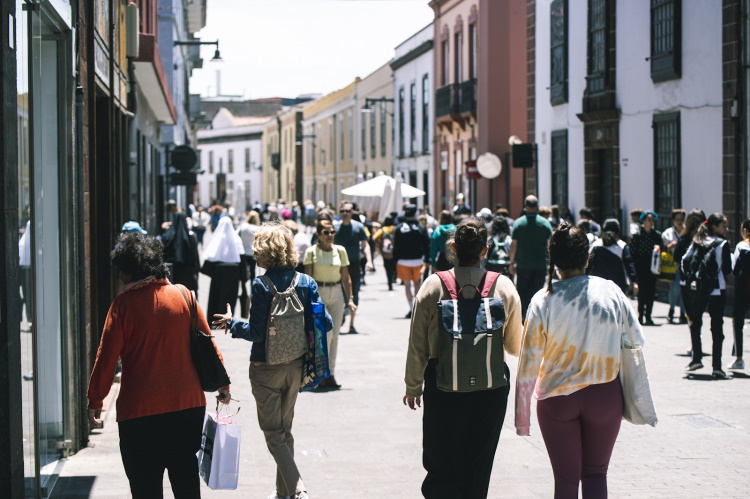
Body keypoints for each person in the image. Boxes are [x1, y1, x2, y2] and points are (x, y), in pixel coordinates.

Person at [87, 232, 231, 498]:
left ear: (131, 271)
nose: (119, 277)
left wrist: (96, 399)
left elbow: (105, 357)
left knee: (145, 486)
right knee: (186, 478)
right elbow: (208, 345)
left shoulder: (122, 306)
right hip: (187, 407)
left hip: (139, 412)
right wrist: (223, 385)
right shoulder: (185, 296)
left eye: (121, 271)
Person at [515, 223, 643, 499]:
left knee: (566, 481)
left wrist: (522, 417)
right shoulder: (610, 291)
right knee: (596, 474)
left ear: (554, 260)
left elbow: (528, 362)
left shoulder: (542, 299)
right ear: (588, 256)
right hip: (604, 395)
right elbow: (636, 338)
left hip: (557, 398)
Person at [403, 218, 523, 499]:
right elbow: (515, 346)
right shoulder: (503, 286)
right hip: (490, 387)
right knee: (478, 464)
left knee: (442, 460)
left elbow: (417, 344)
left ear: (454, 247)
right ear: (486, 250)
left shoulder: (433, 286)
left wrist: (412, 386)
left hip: (443, 384)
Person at [213, 224, 314, 499]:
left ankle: (298, 489)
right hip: (295, 366)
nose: (253, 253)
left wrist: (233, 324)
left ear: (267, 252)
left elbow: (256, 332)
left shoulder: (261, 285)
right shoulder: (306, 282)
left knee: (272, 433)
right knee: (285, 430)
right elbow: (322, 323)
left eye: (257, 248)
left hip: (265, 368)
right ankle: (284, 493)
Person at [304, 220, 356, 389]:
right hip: (319, 294)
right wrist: (308, 301)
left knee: (334, 337)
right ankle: (320, 374)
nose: (330, 235)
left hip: (337, 293)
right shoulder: (311, 252)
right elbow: (308, 279)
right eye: (326, 233)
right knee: (322, 336)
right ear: (318, 235)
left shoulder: (340, 251)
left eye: (332, 232)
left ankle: (331, 373)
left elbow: (346, 277)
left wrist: (350, 298)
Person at [682, 213, 732, 378]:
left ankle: (696, 358)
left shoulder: (698, 240)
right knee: (717, 327)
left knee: (695, 323)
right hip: (717, 290)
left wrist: (692, 277)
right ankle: (717, 366)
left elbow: (684, 260)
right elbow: (727, 270)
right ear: (714, 226)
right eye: (723, 226)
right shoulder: (723, 244)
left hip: (699, 289)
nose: (726, 229)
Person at [509, 195, 554, 319]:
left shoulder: (518, 223)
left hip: (523, 264)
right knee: (538, 291)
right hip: (540, 263)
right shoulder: (545, 223)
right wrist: (552, 262)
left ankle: (523, 316)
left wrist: (511, 263)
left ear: (525, 206)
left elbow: (514, 244)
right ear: (537, 206)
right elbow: (551, 244)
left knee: (522, 291)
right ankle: (535, 316)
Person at [334, 201, 373, 334]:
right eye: (342, 211)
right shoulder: (335, 227)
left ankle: (351, 324)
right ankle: (341, 316)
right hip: (337, 267)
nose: (344, 214)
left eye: (347, 211)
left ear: (352, 213)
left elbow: (365, 245)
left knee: (354, 294)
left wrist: (369, 261)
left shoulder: (358, 227)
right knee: (339, 293)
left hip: (354, 266)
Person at [203, 216, 245, 322]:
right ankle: (229, 318)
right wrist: (243, 276)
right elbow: (242, 257)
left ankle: (214, 318)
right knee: (231, 295)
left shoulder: (217, 237)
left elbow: (210, 254)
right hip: (233, 271)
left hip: (218, 269)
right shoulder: (236, 239)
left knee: (216, 294)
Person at [393, 204, 430, 318]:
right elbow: (426, 244)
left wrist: (396, 259)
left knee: (407, 285)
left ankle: (410, 307)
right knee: (417, 284)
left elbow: (396, 246)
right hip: (417, 260)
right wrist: (427, 259)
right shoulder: (421, 228)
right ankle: (417, 308)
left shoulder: (399, 228)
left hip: (403, 261)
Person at [586, 218, 638, 295]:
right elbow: (629, 265)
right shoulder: (622, 246)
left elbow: (588, 265)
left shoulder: (596, 245)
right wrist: (634, 281)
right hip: (618, 286)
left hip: (599, 286)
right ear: (617, 231)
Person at [628, 211, 663, 325]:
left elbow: (662, 248)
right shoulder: (637, 235)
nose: (651, 222)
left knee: (651, 292)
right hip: (640, 267)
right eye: (649, 219)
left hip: (652, 267)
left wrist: (659, 248)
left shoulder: (656, 235)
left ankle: (649, 315)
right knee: (642, 293)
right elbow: (632, 253)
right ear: (643, 221)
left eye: (652, 220)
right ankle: (641, 315)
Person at [675, 209, 707, 331]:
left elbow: (676, 257)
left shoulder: (683, 239)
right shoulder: (706, 240)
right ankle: (696, 342)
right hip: (703, 281)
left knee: (691, 314)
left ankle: (695, 343)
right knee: (699, 313)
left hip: (686, 281)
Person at [161, 212, 200, 292]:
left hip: (173, 271)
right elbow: (195, 256)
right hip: (188, 272)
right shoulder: (191, 237)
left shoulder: (168, 236)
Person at [731, 218, 750, 371]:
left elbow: (735, 270)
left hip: (743, 289)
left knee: (738, 322)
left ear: (745, 231)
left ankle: (739, 358)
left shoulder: (741, 246)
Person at [662, 209, 687, 323]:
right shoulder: (668, 233)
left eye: (681, 219)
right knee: (675, 288)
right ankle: (672, 309)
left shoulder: (687, 232)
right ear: (673, 220)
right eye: (677, 219)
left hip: (685, 264)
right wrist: (673, 244)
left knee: (684, 290)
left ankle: (683, 313)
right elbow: (664, 249)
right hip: (672, 264)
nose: (679, 222)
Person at [237, 211, 261, 316]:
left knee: (244, 273)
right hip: (253, 253)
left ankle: (244, 288)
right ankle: (253, 290)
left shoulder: (243, 226)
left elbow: (236, 235)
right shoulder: (257, 229)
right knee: (253, 272)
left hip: (243, 252)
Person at [374, 215, 398, 290]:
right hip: (394, 251)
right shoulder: (395, 229)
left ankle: (389, 282)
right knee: (394, 266)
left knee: (387, 267)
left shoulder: (383, 229)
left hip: (385, 252)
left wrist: (379, 245)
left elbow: (374, 237)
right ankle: (394, 277)